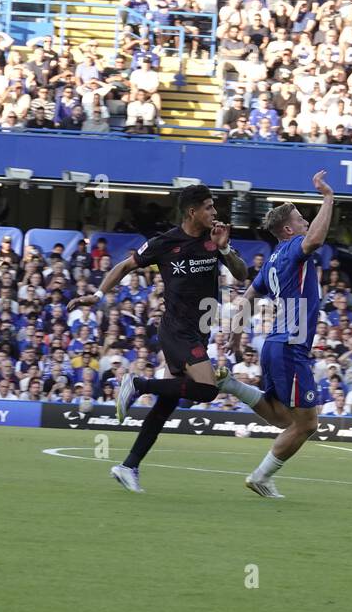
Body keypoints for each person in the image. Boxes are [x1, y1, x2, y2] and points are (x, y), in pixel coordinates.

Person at [67, 184, 249, 492]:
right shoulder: (165, 243)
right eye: (209, 207)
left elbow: (242, 275)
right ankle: (138, 384)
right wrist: (97, 295)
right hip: (177, 330)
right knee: (206, 391)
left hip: (199, 331)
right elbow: (125, 266)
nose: (215, 213)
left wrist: (225, 248)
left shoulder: (213, 240)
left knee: (166, 404)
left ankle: (128, 466)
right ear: (192, 212)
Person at [216, 170, 334, 498]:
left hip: (275, 343)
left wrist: (236, 334)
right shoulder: (296, 246)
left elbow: (246, 299)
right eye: (300, 218)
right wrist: (328, 197)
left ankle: (232, 385)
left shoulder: (271, 262)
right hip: (291, 344)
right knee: (307, 424)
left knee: (284, 418)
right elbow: (317, 240)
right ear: (288, 229)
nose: (306, 221)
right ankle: (261, 476)